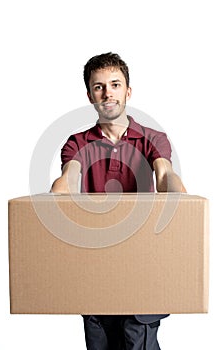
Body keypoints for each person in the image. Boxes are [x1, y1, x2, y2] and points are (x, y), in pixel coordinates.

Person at [51, 52, 186, 350]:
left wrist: (182, 202)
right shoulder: (78, 143)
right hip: (95, 263)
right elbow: (69, 177)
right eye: (99, 86)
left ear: (128, 91)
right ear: (90, 95)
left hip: (143, 263)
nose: (107, 92)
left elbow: (164, 175)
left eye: (115, 84)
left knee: (138, 339)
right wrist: (58, 195)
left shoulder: (152, 138)